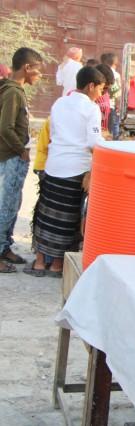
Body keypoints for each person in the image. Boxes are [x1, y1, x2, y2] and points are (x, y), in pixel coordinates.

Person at [27, 66, 106, 277]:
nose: (100, 94)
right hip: (76, 169)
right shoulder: (91, 109)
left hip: (53, 166)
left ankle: (40, 262)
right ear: (91, 86)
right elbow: (94, 143)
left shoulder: (59, 103)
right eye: (100, 89)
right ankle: (57, 265)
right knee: (67, 218)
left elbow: (55, 133)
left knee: (46, 215)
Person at [0, 48, 43, 273]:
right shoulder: (13, 92)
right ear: (27, 68)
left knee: (13, 204)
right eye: (37, 70)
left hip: (12, 156)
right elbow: (5, 127)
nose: (39, 75)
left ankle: (5, 247)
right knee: (6, 207)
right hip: (11, 157)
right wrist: (21, 150)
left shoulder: (14, 90)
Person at [101, 53, 122, 139]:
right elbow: (117, 92)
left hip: (99, 104)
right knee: (111, 130)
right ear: (115, 62)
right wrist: (118, 104)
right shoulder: (115, 75)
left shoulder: (99, 71)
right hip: (110, 106)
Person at [94, 64, 115, 132]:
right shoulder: (89, 99)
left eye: (108, 88)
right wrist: (98, 133)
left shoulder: (106, 95)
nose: (105, 91)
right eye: (104, 88)